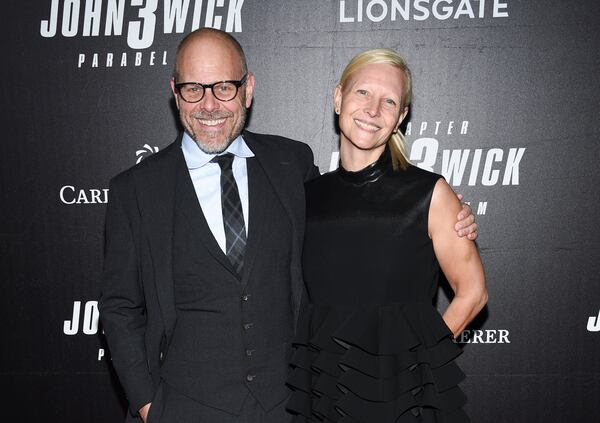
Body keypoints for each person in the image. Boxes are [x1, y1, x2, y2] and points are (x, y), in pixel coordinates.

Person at [99, 29, 479, 423]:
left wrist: (450, 218)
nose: (210, 104)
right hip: (183, 408)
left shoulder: (290, 165)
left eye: (224, 88)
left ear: (248, 89)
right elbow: (120, 308)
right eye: (195, 88)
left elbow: (361, 220)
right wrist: (149, 405)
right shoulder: (136, 190)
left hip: (292, 405)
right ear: (175, 91)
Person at [286, 49, 488, 423]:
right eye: (363, 92)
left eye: (389, 100)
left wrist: (418, 370)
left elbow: (473, 293)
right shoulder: (308, 196)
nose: (373, 109)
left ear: (401, 116)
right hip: (324, 399)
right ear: (338, 97)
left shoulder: (429, 192)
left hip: (404, 404)